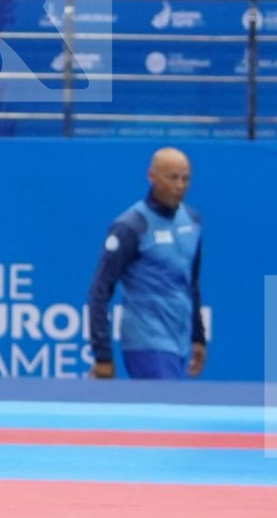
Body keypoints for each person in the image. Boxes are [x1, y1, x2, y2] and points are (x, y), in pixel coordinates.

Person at [86, 147, 206, 381]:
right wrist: (102, 356)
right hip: (147, 342)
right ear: (151, 176)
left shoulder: (192, 221)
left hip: (179, 342)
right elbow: (99, 291)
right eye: (172, 178)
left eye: (185, 178)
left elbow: (191, 283)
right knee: (167, 415)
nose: (180, 185)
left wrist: (198, 336)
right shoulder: (131, 226)